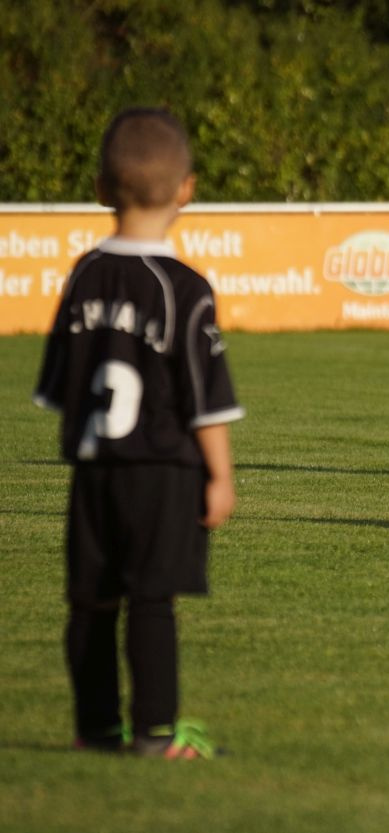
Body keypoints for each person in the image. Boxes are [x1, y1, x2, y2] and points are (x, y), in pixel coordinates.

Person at [33, 107, 244, 757]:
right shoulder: (184, 288)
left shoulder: (84, 275)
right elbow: (204, 400)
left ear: (101, 188)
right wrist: (222, 475)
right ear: (187, 190)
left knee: (91, 601)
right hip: (162, 472)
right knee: (151, 601)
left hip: (93, 470)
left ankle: (95, 729)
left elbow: (57, 386)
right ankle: (155, 733)